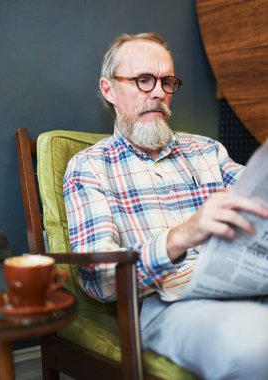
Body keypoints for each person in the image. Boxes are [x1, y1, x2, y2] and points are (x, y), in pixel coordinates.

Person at [63, 33, 268, 379]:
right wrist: (181, 237)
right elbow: (98, 278)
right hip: (170, 304)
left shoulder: (208, 151)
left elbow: (257, 197)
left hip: (248, 287)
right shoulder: (90, 166)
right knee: (255, 346)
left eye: (167, 81)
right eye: (144, 80)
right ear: (109, 89)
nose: (158, 92)